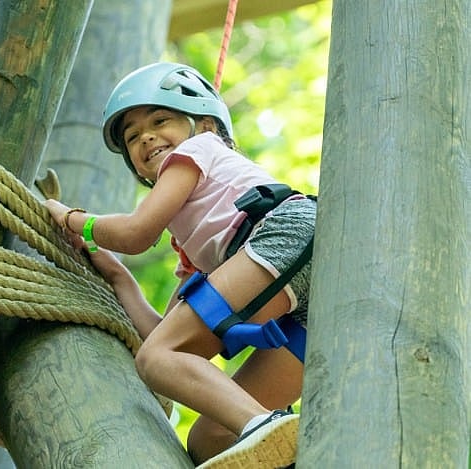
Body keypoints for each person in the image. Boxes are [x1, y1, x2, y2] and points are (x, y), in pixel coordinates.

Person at [45, 62, 315, 467]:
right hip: (302, 293)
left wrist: (72, 220)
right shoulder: (196, 240)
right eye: (132, 137)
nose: (146, 136)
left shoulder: (198, 150)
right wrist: (117, 275)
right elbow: (166, 333)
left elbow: (137, 233)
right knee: (210, 438)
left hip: (287, 235)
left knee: (157, 360)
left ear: (206, 126)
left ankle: (262, 424)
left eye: (160, 120)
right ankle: (284, 445)